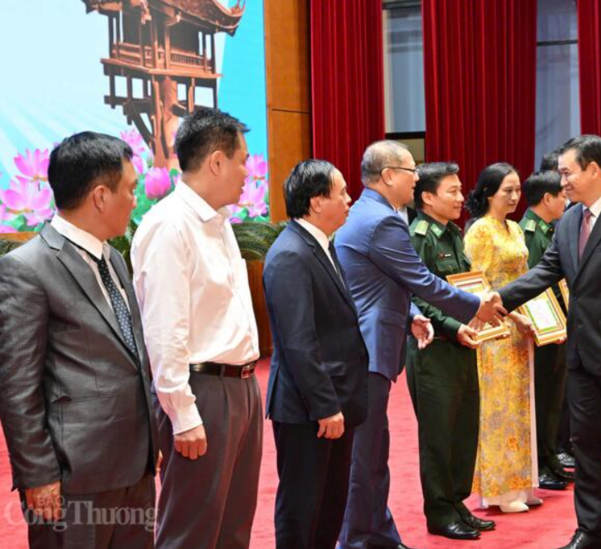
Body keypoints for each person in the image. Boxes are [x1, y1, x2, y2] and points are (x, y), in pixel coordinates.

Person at [495, 135, 601, 549]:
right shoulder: (570, 220)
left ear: (594, 169)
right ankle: (591, 530)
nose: (563, 181)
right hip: (582, 358)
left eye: (568, 172)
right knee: (587, 448)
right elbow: (546, 271)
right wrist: (497, 299)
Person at [0, 132, 159, 547]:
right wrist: (39, 474)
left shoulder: (113, 257)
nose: (135, 199)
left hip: (133, 467)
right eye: (131, 189)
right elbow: (16, 389)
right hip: (72, 477)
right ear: (100, 195)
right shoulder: (25, 270)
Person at [335, 140, 504, 549]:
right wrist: (476, 308)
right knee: (366, 457)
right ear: (389, 175)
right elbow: (422, 281)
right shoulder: (384, 221)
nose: (416, 177)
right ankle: (358, 538)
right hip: (370, 347)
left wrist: (411, 317)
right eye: (411, 170)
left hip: (378, 342)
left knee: (376, 453)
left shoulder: (371, 214)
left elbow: (382, 283)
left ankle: (377, 533)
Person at [131, 108, 262, 549]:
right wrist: (183, 416)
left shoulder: (218, 222)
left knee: (233, 523)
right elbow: (164, 332)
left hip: (241, 386)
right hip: (202, 391)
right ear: (217, 162)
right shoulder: (170, 226)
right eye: (243, 160)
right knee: (191, 528)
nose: (248, 171)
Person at [263, 160, 368, 548]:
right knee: (302, 508)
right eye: (340, 192)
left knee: (329, 506)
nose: (348, 198)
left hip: (333, 399)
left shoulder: (321, 245)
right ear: (316, 200)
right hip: (309, 408)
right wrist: (325, 405)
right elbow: (298, 342)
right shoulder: (292, 253)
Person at [406, 162, 495, 541]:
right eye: (452, 191)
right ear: (427, 197)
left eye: (461, 190)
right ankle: (439, 512)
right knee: (438, 436)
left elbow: (464, 288)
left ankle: (457, 501)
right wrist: (455, 326)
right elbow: (415, 295)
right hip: (435, 348)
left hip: (463, 344)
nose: (462, 198)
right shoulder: (419, 237)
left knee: (463, 430)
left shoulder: (454, 234)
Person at [464, 162, 540, 514]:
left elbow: (526, 280)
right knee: (498, 408)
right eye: (506, 190)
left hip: (520, 326)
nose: (513, 196)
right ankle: (497, 490)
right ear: (488, 192)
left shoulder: (514, 228)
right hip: (494, 328)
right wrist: (514, 317)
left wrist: (535, 318)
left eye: (517, 190)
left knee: (521, 405)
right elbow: (479, 286)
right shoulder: (480, 230)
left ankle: (522, 483)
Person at [521, 170, 573, 491]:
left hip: (558, 322)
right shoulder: (529, 232)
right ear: (547, 198)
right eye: (562, 196)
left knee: (555, 396)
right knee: (542, 397)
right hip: (542, 324)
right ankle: (539, 461)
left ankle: (551, 456)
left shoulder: (550, 228)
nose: (566, 201)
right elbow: (533, 285)